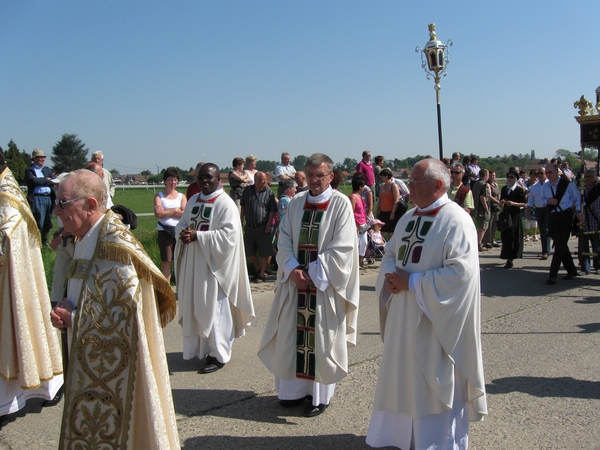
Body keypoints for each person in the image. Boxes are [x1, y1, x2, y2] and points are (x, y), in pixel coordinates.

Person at [50, 169, 180, 449]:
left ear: (91, 205)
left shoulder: (113, 246)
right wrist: (67, 310)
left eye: (63, 203)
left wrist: (72, 318)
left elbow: (123, 320)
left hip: (116, 367)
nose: (56, 211)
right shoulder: (86, 237)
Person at [366, 158, 487, 449]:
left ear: (437, 185)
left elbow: (461, 274)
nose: (408, 189)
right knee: (402, 379)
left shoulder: (456, 220)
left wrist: (412, 283)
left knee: (431, 383)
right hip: (403, 317)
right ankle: (398, 438)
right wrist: (391, 277)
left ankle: (435, 443)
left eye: (415, 183)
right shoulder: (409, 218)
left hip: (435, 323)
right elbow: (390, 254)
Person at [258, 153, 360, 418]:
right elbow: (284, 240)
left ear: (330, 176)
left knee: (321, 341)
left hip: (323, 287)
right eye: (310, 175)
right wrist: (292, 270)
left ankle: (319, 396)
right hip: (295, 285)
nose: (314, 180)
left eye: (320, 175)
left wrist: (312, 273)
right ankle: (291, 392)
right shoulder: (296, 203)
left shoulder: (340, 205)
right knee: (292, 336)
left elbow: (344, 248)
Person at [0, 146, 64, 417]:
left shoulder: (8, 199)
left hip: (12, 279)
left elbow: (7, 235)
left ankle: (39, 389)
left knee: (22, 329)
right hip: (12, 277)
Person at [175, 163, 255, 374]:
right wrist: (182, 233)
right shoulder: (193, 200)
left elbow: (230, 235)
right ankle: (204, 349)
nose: (205, 181)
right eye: (202, 177)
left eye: (210, 177)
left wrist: (198, 236)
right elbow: (182, 222)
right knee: (198, 305)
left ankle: (219, 354)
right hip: (195, 263)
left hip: (216, 268)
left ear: (219, 179)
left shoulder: (225, 203)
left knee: (216, 309)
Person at [542, 164, 583, 285]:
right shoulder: (546, 186)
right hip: (553, 217)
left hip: (565, 216)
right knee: (562, 245)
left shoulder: (568, 184)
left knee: (559, 246)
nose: (548, 175)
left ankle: (552, 275)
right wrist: (548, 201)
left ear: (557, 172)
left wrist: (579, 212)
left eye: (550, 172)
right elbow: (541, 201)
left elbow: (578, 198)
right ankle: (571, 270)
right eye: (547, 173)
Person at [240, 171, 278, 282]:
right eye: (262, 179)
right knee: (249, 251)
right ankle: (258, 268)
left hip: (263, 226)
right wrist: (241, 219)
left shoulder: (269, 192)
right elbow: (243, 206)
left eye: (265, 179)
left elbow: (271, 210)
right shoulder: (247, 191)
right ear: (256, 180)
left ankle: (261, 274)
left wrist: (269, 223)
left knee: (265, 251)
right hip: (250, 226)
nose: (265, 181)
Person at [154, 167, 187, 283]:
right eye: (170, 180)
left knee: (181, 260)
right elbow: (158, 214)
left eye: (174, 180)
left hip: (179, 231)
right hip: (165, 231)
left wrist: (166, 212)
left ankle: (181, 288)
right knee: (166, 260)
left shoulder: (182, 196)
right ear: (164, 181)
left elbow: (185, 214)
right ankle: (167, 288)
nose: (172, 183)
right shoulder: (159, 196)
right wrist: (175, 210)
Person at [25, 149, 56, 245]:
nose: (42, 159)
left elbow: (54, 180)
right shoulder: (30, 170)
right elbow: (32, 181)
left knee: (48, 221)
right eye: (40, 157)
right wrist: (47, 180)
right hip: (37, 198)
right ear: (34, 159)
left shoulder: (47, 169)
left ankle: (45, 242)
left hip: (48, 198)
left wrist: (42, 180)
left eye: (43, 157)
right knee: (39, 220)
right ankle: (36, 243)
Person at [499, 169, 527, 269]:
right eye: (508, 177)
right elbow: (500, 202)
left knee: (513, 237)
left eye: (512, 177)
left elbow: (524, 204)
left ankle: (511, 259)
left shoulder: (519, 190)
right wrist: (502, 203)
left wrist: (514, 204)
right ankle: (507, 255)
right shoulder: (504, 189)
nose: (510, 179)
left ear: (516, 179)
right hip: (506, 216)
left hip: (515, 216)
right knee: (506, 237)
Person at [578, 168, 600, 274]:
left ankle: (598, 266)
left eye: (588, 176)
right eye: (584, 177)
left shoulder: (598, 188)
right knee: (583, 247)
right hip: (584, 221)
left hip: (596, 221)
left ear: (593, 177)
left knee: (597, 246)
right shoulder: (581, 190)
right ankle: (585, 268)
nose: (585, 179)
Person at [527, 167, 550, 259]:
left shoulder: (550, 185)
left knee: (545, 230)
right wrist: (528, 212)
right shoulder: (535, 186)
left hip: (548, 210)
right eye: (538, 174)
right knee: (542, 230)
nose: (540, 175)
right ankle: (544, 250)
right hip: (538, 209)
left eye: (542, 173)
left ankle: (546, 251)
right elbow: (530, 200)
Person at [349, 173, 369, 268]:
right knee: (356, 244)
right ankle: (355, 263)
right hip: (356, 224)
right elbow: (351, 212)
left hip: (363, 223)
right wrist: (354, 225)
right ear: (360, 186)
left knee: (364, 243)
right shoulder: (352, 197)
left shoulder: (360, 196)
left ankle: (360, 261)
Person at [377, 168, 400, 239]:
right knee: (381, 231)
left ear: (387, 176)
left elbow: (396, 199)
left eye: (382, 176)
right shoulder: (382, 186)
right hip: (383, 212)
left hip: (390, 212)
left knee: (390, 232)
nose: (381, 178)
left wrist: (393, 213)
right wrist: (378, 210)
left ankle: (392, 248)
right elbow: (380, 198)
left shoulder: (393, 186)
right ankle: (383, 247)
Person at [471, 169, 491, 252]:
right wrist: (486, 208)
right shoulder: (484, 185)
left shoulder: (476, 184)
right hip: (481, 210)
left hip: (475, 208)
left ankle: (477, 243)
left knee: (480, 227)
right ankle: (479, 244)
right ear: (485, 175)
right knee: (483, 227)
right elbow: (482, 197)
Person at [483, 170, 501, 248]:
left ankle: (493, 239)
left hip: (497, 206)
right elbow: (489, 196)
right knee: (490, 223)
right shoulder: (488, 185)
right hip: (491, 205)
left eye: (493, 175)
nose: (492, 177)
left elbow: (499, 193)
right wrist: (497, 201)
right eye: (490, 175)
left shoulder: (495, 184)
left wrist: (499, 201)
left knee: (495, 223)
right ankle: (487, 240)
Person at [524, 169, 539, 242]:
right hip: (528, 202)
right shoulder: (526, 183)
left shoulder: (538, 184)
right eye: (533, 175)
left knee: (535, 219)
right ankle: (526, 235)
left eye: (535, 175)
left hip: (535, 203)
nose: (534, 177)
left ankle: (534, 234)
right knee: (527, 218)